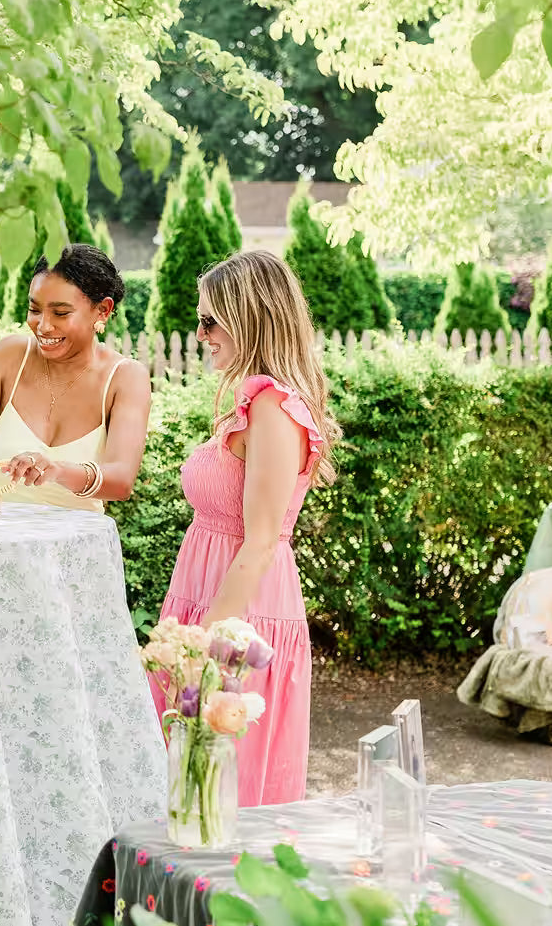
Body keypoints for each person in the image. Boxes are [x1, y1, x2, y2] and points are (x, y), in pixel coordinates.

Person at [150, 250, 339, 806]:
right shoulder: (250, 401)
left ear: (252, 318)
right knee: (187, 786)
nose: (200, 332)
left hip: (238, 615)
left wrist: (205, 642)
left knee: (220, 795)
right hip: (210, 600)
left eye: (211, 320)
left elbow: (259, 542)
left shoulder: (275, 408)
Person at [0, 244, 150, 512]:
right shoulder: (10, 356)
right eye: (35, 310)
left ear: (103, 310)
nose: (43, 325)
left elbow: (120, 481)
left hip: (76, 547)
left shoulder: (126, 377)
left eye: (60, 313)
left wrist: (56, 470)